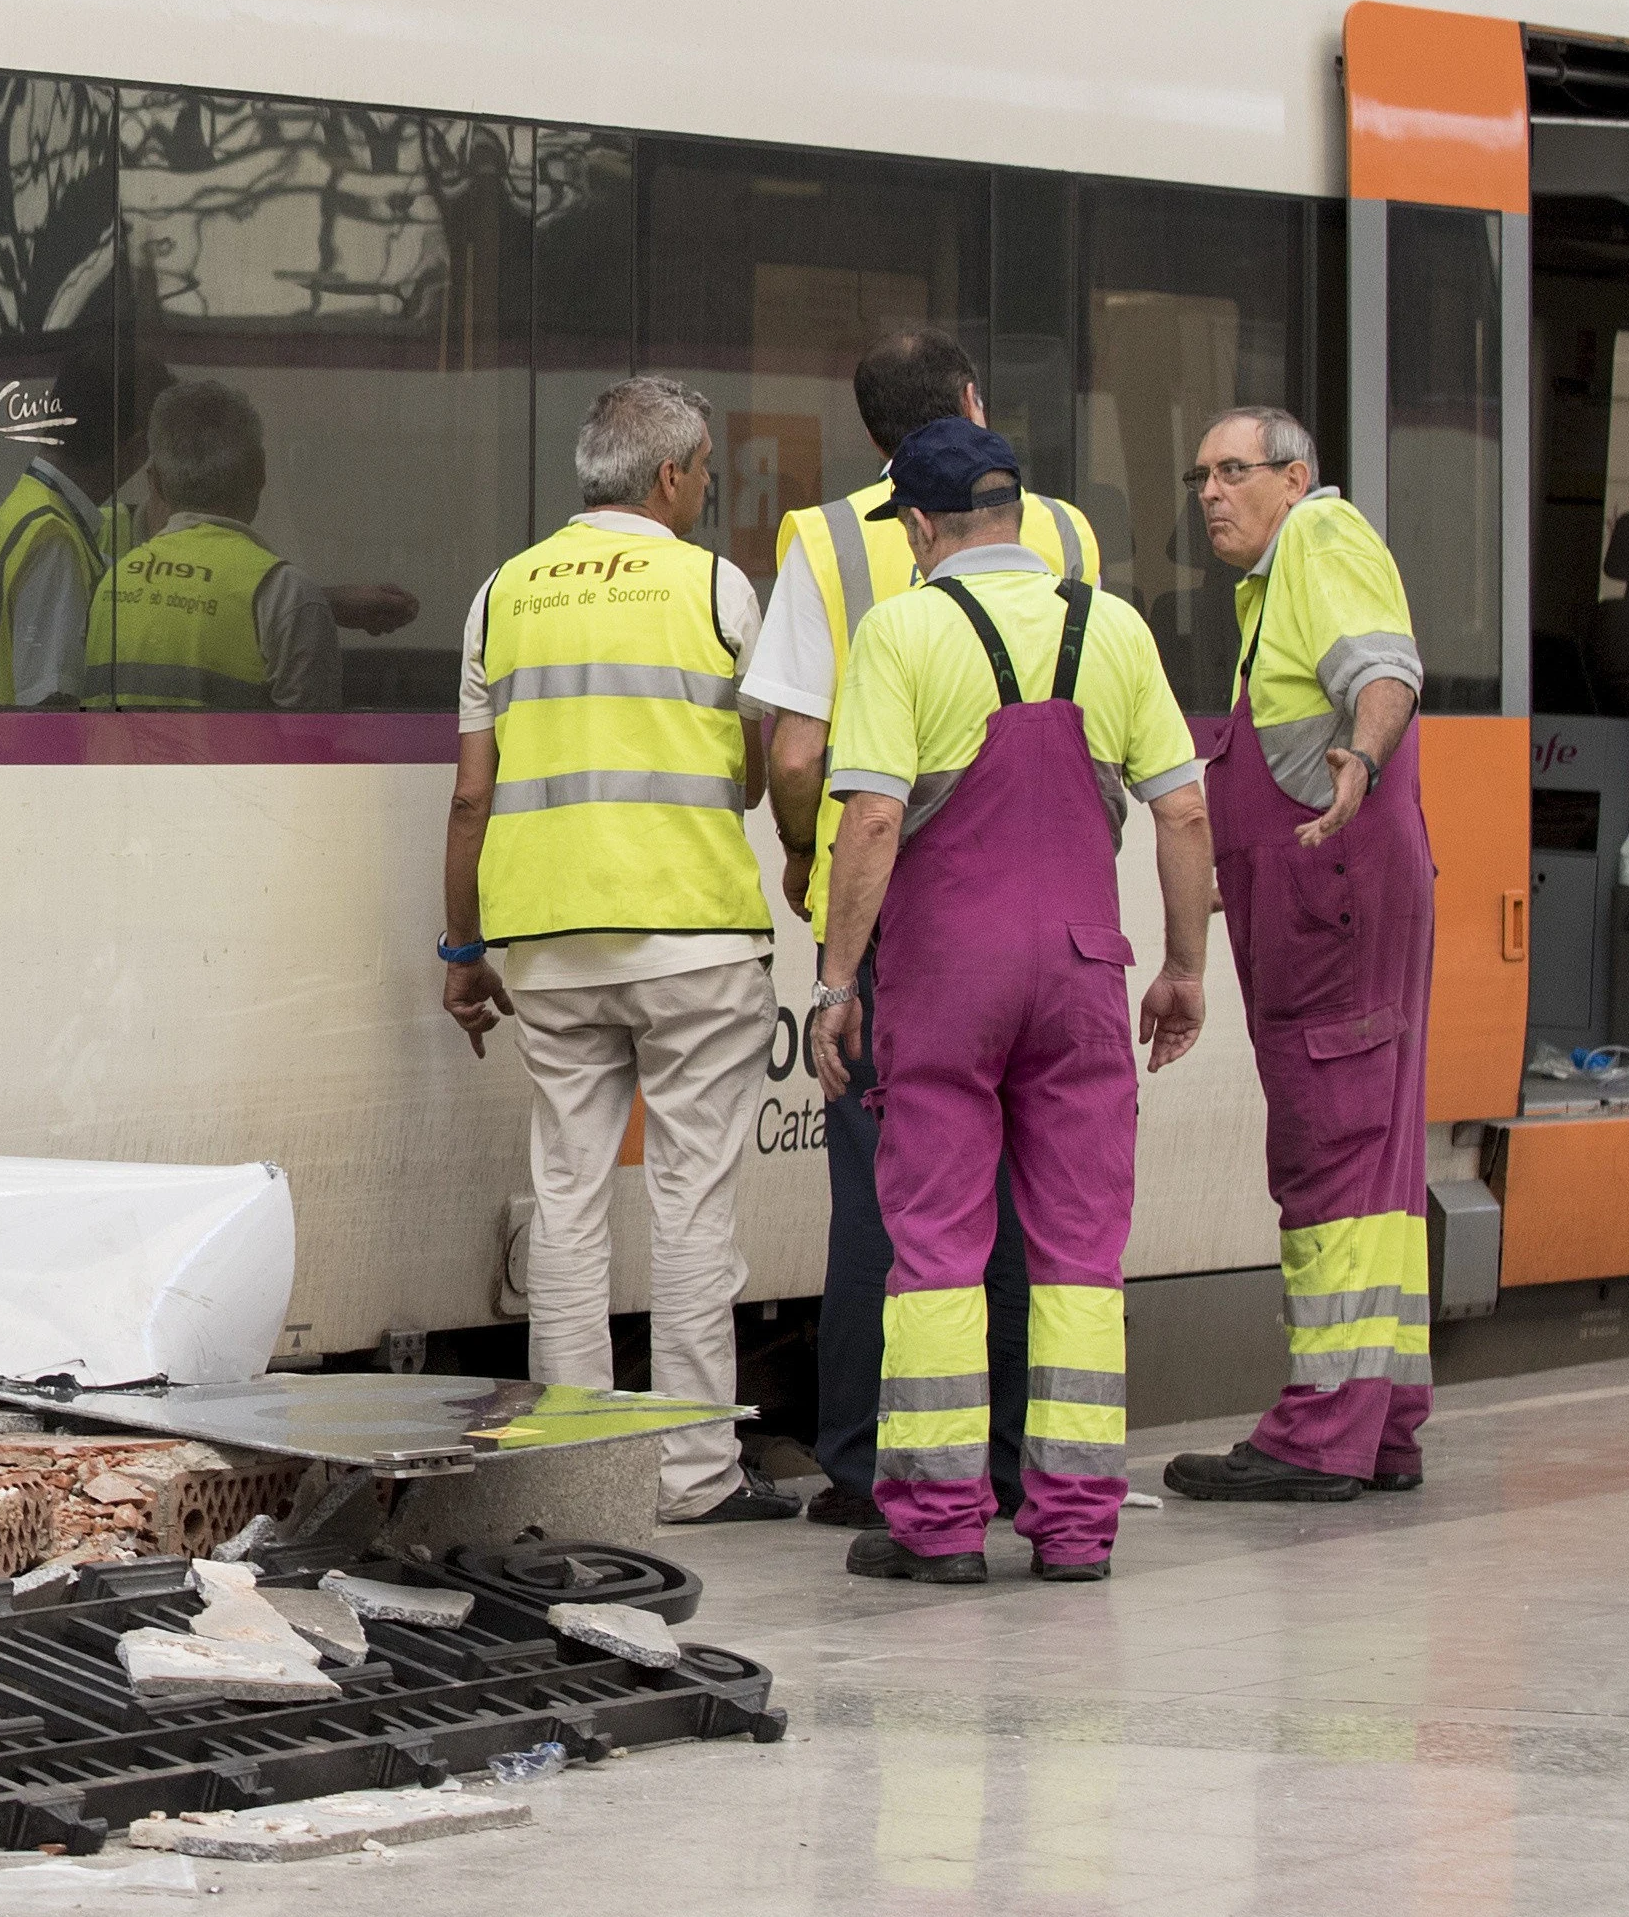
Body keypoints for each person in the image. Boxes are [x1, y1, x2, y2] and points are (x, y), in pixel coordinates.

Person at [808, 418, 1211, 1585]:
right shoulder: (1113, 625)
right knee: (1078, 1250)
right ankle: (1075, 1525)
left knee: (934, 1242)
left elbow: (872, 820)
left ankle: (937, 1529)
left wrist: (837, 982)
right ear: (1019, 516)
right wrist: (1182, 966)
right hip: (1084, 971)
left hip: (947, 978)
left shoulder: (904, 629)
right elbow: (1182, 813)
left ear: (922, 528)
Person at [742, 330, 1104, 1534]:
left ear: (873, 442)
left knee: (889, 1197)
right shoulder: (1070, 540)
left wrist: (808, 857)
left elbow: (798, 755)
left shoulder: (831, 540)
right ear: (971, 405)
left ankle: (869, 1464)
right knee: (1030, 1205)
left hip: (913, 919)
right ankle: (1018, 1472)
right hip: (1061, 920)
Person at [440, 377, 793, 1525]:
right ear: (675, 476)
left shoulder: (501, 593)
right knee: (692, 1207)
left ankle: (569, 1470)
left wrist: (460, 947)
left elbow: (471, 796)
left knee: (568, 1198)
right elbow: (753, 763)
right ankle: (693, 1477)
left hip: (543, 943)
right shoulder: (714, 586)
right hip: (690, 936)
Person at [1164, 408, 1436, 1502]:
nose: (1210, 494)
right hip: (1322, 904)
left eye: (1233, 472)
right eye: (1198, 477)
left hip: (1332, 913)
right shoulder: (1268, 587)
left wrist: (1358, 761)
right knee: (1372, 1172)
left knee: (1331, 1158)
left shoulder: (1319, 543)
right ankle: (1383, 1423)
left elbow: (1383, 672)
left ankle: (1319, 1432)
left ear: (1294, 477)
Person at [84, 380, 415, 708]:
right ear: (259, 472)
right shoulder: (286, 594)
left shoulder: (109, 584)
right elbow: (311, 752)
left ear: (154, 480)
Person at [0, 350, 170, 708]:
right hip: (19, 761)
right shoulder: (54, 541)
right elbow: (50, 708)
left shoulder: (25, 509)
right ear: (135, 450)